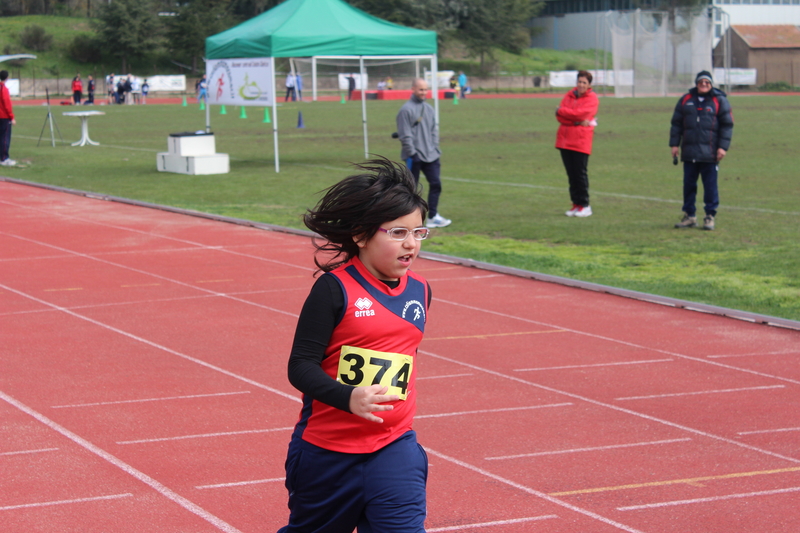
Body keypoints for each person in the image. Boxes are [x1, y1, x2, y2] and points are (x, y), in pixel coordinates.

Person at [278, 157, 431, 533]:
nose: (411, 244)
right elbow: (300, 367)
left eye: (418, 233)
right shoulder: (334, 290)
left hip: (393, 446)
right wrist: (350, 398)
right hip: (328, 454)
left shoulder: (421, 291)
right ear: (361, 236)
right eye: (397, 233)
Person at [670, 70, 734, 231]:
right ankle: (689, 216)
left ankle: (709, 217)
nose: (704, 84)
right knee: (689, 185)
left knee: (710, 187)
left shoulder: (719, 100)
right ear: (696, 83)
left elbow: (727, 125)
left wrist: (722, 148)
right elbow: (676, 123)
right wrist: (675, 144)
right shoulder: (686, 100)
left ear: (711, 84)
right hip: (690, 153)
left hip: (710, 154)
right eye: (701, 82)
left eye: (707, 82)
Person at [396, 78, 452, 228]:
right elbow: (405, 134)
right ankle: (408, 218)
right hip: (414, 156)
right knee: (411, 189)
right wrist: (412, 153)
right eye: (421, 89)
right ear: (413, 89)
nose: (424, 92)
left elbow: (434, 131)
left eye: (426, 89)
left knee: (436, 184)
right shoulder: (405, 110)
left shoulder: (429, 109)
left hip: (431, 155)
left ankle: (433, 216)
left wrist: (435, 148)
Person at [555, 70, 599, 218]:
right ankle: (576, 204)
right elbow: (560, 117)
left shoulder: (592, 99)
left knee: (580, 174)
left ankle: (585, 205)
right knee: (571, 175)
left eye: (584, 83)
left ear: (589, 85)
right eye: (579, 82)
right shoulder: (569, 95)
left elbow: (581, 114)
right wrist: (576, 121)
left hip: (580, 141)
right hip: (564, 140)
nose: (581, 85)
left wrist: (565, 112)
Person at [0, 70, 16, 167]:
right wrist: (12, 117)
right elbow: (7, 104)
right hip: (4, 117)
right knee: (5, 137)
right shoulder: (4, 89)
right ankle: (4, 158)